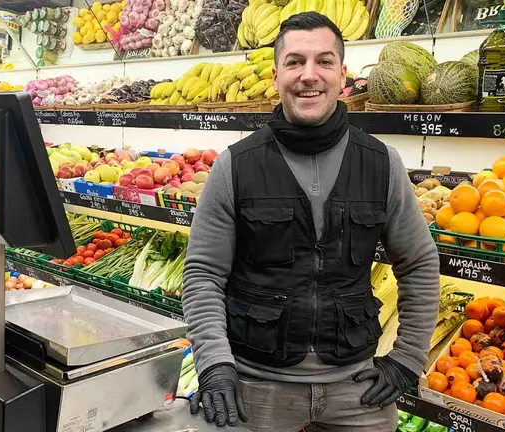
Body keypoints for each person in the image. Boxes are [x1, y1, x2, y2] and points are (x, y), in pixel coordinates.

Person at [182, 11, 441, 432]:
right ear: (275, 74)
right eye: (294, 62)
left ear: (342, 74)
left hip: (358, 390)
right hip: (256, 386)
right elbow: (203, 273)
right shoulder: (235, 165)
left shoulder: (382, 164)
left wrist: (407, 360)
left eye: (323, 62)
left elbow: (419, 264)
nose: (309, 75)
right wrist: (214, 364)